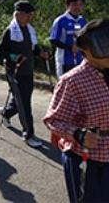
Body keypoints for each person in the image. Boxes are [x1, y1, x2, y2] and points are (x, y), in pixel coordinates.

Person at [43, 18, 109, 203]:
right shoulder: (73, 81)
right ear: (86, 51)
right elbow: (53, 120)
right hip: (88, 159)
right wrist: (78, 134)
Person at [0, 0, 49, 148]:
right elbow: (1, 52)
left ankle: (6, 113)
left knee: (22, 98)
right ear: (18, 14)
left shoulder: (28, 29)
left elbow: (33, 47)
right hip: (15, 72)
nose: (29, 17)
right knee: (25, 104)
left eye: (30, 14)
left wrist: (41, 53)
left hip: (28, 70)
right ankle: (28, 134)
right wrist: (14, 57)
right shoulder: (10, 31)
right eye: (27, 14)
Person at [49, 0, 86, 79]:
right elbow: (53, 40)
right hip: (64, 61)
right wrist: (69, 48)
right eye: (74, 4)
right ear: (67, 5)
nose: (77, 7)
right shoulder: (60, 20)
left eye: (80, 4)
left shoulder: (82, 21)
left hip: (80, 60)